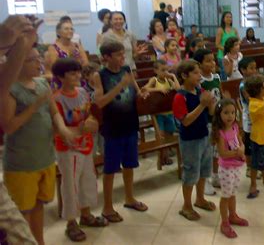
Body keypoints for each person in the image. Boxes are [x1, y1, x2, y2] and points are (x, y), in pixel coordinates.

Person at [1, 47, 74, 245]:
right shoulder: (10, 89)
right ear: (17, 62)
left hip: (45, 157)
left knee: (39, 204)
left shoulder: (43, 83)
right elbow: (8, 127)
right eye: (31, 60)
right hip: (22, 163)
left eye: (38, 58)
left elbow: (54, 112)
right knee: (22, 210)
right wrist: (34, 106)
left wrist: (64, 130)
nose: (38, 62)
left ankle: (39, 241)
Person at [92, 41, 149, 223]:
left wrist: (143, 93)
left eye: (123, 54)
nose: (122, 57)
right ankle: (107, 207)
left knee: (130, 164)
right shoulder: (99, 75)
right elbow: (100, 102)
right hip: (113, 128)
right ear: (106, 57)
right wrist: (119, 86)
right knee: (110, 169)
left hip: (130, 124)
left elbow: (136, 91)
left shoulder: (126, 70)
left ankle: (129, 198)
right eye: (118, 54)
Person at [52, 58, 108, 242]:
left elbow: (89, 112)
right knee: (70, 184)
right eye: (72, 73)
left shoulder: (83, 91)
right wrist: (78, 130)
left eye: (78, 72)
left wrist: (92, 120)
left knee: (87, 180)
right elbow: (57, 126)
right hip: (68, 148)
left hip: (86, 144)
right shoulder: (57, 98)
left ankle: (86, 214)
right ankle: (71, 222)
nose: (77, 76)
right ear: (61, 76)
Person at [172, 60, 216, 221]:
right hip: (190, 140)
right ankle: (186, 206)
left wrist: (212, 103)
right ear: (184, 75)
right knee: (191, 172)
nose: (199, 76)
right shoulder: (180, 97)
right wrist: (203, 105)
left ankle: (200, 199)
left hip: (204, 135)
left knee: (204, 169)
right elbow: (186, 121)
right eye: (196, 73)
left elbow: (210, 112)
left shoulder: (200, 90)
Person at [212, 99, 248, 238]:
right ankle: (224, 222)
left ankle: (233, 215)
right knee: (226, 196)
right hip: (226, 169)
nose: (230, 116)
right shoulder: (220, 133)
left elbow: (240, 142)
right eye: (226, 113)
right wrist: (237, 153)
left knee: (233, 193)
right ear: (219, 114)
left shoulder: (235, 127)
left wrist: (242, 149)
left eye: (232, 112)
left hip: (237, 166)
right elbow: (222, 153)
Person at [194, 48, 224, 195]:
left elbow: (221, 94)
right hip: (206, 120)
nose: (212, 63)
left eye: (213, 59)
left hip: (218, 119)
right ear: (199, 64)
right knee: (207, 151)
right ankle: (204, 181)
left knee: (216, 151)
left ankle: (215, 176)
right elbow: (202, 102)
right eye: (208, 61)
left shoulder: (216, 77)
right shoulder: (199, 82)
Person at [143, 59, 180, 165]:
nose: (165, 73)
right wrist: (158, 90)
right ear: (156, 70)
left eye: (167, 70)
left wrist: (173, 77)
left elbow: (177, 89)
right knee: (161, 135)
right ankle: (163, 156)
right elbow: (145, 89)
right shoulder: (154, 80)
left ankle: (166, 154)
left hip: (169, 113)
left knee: (169, 133)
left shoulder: (169, 80)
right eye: (162, 70)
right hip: (158, 114)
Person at [45, 20, 89, 88]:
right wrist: (75, 61)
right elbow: (56, 68)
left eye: (71, 29)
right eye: (66, 29)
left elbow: (86, 64)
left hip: (78, 80)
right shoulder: (53, 48)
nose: (70, 31)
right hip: (61, 82)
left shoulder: (77, 46)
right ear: (58, 32)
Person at [238, 58, 258, 177]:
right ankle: (249, 167)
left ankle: (258, 165)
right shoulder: (243, 85)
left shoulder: (254, 81)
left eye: (255, 68)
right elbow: (250, 100)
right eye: (251, 68)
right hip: (249, 117)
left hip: (257, 116)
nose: (255, 70)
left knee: (257, 142)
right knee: (249, 144)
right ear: (243, 70)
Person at [216, 12, 239, 80]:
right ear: (223, 19)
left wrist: (235, 47)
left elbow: (239, 40)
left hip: (233, 55)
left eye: (230, 17)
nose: (229, 18)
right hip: (222, 55)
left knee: (233, 72)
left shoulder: (234, 29)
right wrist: (227, 49)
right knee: (225, 73)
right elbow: (217, 44)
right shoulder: (220, 30)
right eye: (227, 17)